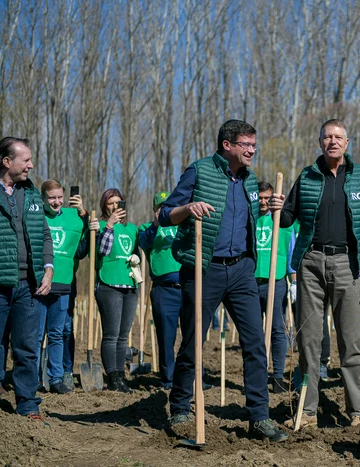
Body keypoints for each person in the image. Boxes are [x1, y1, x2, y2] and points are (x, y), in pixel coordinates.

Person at [160, 119, 287, 443]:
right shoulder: (199, 171)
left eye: (254, 145)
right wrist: (188, 207)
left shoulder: (249, 179)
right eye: (247, 145)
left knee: (255, 343)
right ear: (227, 145)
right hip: (205, 269)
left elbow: (240, 218)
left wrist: (269, 210)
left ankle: (259, 416)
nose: (252, 151)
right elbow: (164, 213)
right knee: (192, 342)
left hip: (243, 268)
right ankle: (180, 407)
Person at [270, 119, 360, 429]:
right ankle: (307, 411)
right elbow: (288, 218)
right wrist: (277, 207)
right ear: (320, 142)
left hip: (349, 263)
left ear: (347, 142)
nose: (332, 141)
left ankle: (357, 410)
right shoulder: (307, 176)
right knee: (309, 340)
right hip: (310, 262)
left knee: (350, 341)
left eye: (338, 137)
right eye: (327, 137)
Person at [0, 137, 54, 423]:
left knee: (27, 349)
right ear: (6, 162)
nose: (31, 164)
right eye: (25, 160)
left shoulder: (31, 193)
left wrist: (48, 268)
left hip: (28, 286)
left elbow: (44, 234)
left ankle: (28, 405)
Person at [39, 180, 89, 394]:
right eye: (51, 197)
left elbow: (82, 246)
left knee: (57, 333)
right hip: (39, 284)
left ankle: (56, 378)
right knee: (36, 334)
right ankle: (32, 378)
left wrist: (85, 215)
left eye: (60, 197)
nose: (56, 201)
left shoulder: (73, 216)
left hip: (63, 284)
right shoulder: (36, 216)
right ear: (44, 199)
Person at [89, 188, 140, 393]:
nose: (115, 206)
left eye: (118, 202)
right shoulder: (99, 225)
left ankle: (121, 377)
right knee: (111, 334)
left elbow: (135, 252)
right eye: (110, 203)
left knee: (123, 335)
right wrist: (108, 225)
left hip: (129, 285)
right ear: (105, 205)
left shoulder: (132, 229)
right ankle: (113, 376)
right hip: (109, 285)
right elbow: (102, 250)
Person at [255, 181, 296, 393]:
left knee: (277, 329)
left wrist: (294, 281)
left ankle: (278, 376)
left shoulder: (282, 221)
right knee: (253, 332)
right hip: (251, 282)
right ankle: (256, 374)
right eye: (260, 198)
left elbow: (291, 253)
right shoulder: (249, 219)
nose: (263, 202)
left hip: (276, 280)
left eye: (267, 198)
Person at [138, 191, 182, 390]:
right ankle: (168, 379)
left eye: (168, 207)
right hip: (164, 291)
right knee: (166, 337)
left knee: (194, 335)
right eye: (160, 208)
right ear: (155, 210)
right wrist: (157, 224)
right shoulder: (147, 228)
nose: (164, 211)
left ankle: (192, 376)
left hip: (188, 288)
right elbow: (144, 242)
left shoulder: (182, 226)